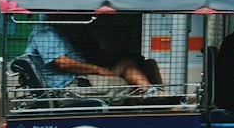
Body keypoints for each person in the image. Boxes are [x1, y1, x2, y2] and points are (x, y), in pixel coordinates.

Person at [24, 15, 161, 92]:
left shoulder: (62, 30)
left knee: (147, 65)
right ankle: (151, 98)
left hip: (82, 77)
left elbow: (93, 56)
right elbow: (63, 63)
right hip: (72, 84)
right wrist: (99, 70)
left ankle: (153, 94)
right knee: (125, 77)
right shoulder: (45, 32)